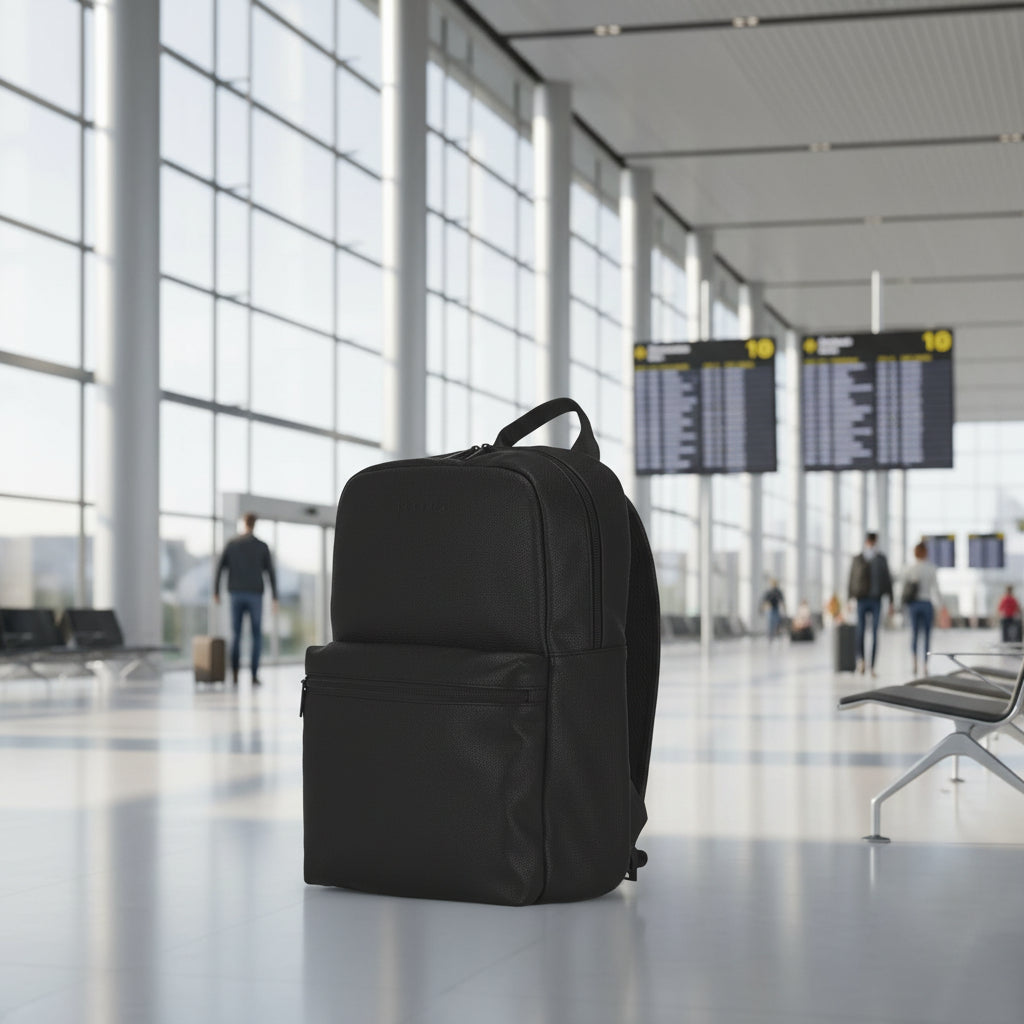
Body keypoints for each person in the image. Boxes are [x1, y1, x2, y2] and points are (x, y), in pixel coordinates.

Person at [214, 513, 278, 685]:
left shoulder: (232, 544)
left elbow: (220, 568)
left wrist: (216, 591)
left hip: (235, 593)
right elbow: (270, 572)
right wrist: (275, 597)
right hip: (255, 594)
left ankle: (234, 673)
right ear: (255, 524)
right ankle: (254, 675)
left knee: (236, 634)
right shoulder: (262, 546)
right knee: (256, 635)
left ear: (243, 523)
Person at [848, 532, 893, 677]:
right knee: (860, 631)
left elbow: (887, 580)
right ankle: (860, 660)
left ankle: (872, 666)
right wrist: (849, 598)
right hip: (861, 599)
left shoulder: (881, 559)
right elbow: (851, 579)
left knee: (875, 632)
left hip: (876, 599)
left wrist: (891, 601)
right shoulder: (858, 559)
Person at [901, 541, 942, 675]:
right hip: (926, 603)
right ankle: (924, 665)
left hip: (913, 605)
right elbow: (936, 589)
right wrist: (941, 606)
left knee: (914, 634)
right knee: (927, 636)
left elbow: (904, 589)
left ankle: (914, 662)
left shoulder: (910, 568)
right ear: (926, 552)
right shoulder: (931, 568)